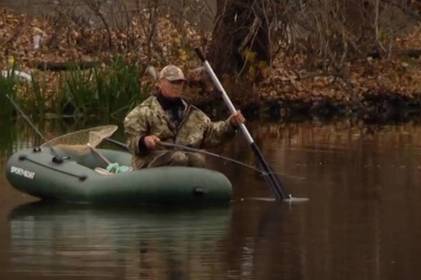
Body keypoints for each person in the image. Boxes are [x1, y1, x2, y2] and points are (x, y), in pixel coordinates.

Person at [124, 64, 245, 169]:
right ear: (160, 83)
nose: (176, 86)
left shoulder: (193, 114)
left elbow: (212, 134)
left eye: (180, 82)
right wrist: (144, 141)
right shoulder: (142, 112)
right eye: (172, 82)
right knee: (179, 158)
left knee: (197, 159)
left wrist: (231, 124)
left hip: (181, 167)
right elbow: (131, 141)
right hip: (149, 165)